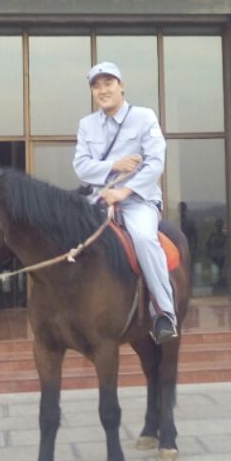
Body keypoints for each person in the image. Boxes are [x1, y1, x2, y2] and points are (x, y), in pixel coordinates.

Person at [73, 61, 177, 344]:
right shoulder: (87, 125)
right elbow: (81, 166)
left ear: (122, 86)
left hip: (138, 202)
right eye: (96, 86)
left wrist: (124, 192)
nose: (103, 90)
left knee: (144, 239)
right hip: (97, 201)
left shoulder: (144, 117)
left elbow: (155, 163)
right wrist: (114, 165)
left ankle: (163, 313)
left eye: (109, 83)